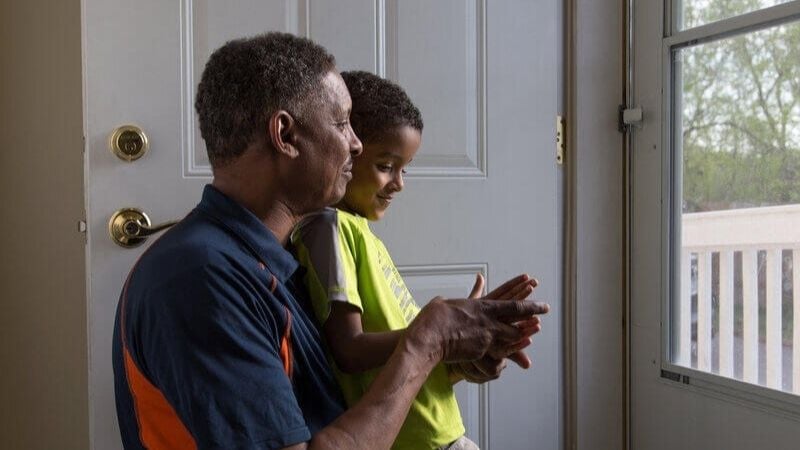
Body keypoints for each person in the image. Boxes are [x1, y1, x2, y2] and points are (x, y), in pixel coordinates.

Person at [112, 32, 549, 450]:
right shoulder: (200, 281)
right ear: (285, 135)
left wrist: (448, 356)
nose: (356, 144)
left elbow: (351, 393)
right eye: (342, 123)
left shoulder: (283, 259)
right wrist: (425, 342)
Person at [291, 70, 540, 450]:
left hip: (441, 433)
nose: (399, 182)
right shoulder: (330, 228)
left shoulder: (361, 234)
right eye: (386, 166)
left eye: (404, 169)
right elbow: (350, 349)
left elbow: (408, 355)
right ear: (349, 149)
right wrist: (441, 333)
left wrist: (464, 346)